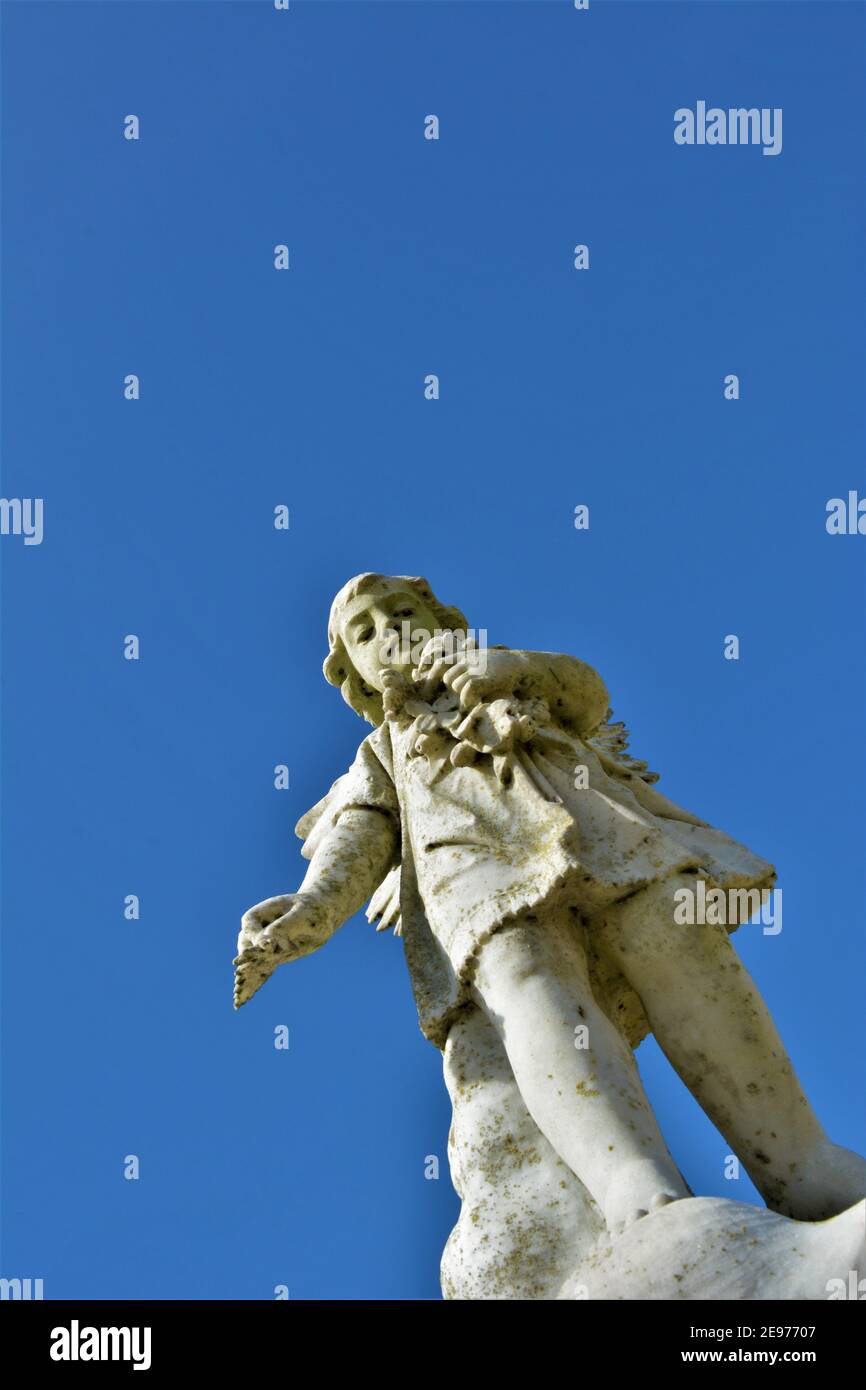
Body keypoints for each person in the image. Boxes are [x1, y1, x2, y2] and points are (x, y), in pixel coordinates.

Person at [234, 573, 865, 1233]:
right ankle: (637, 1188)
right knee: (528, 982)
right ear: (357, 678)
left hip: (600, 829)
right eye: (366, 631)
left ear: (443, 619)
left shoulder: (508, 673)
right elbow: (358, 832)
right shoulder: (383, 752)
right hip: (474, 872)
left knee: (676, 935)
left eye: (402, 609)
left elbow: (586, 691)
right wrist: (314, 907)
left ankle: (800, 1162)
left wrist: (509, 669)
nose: (391, 627)